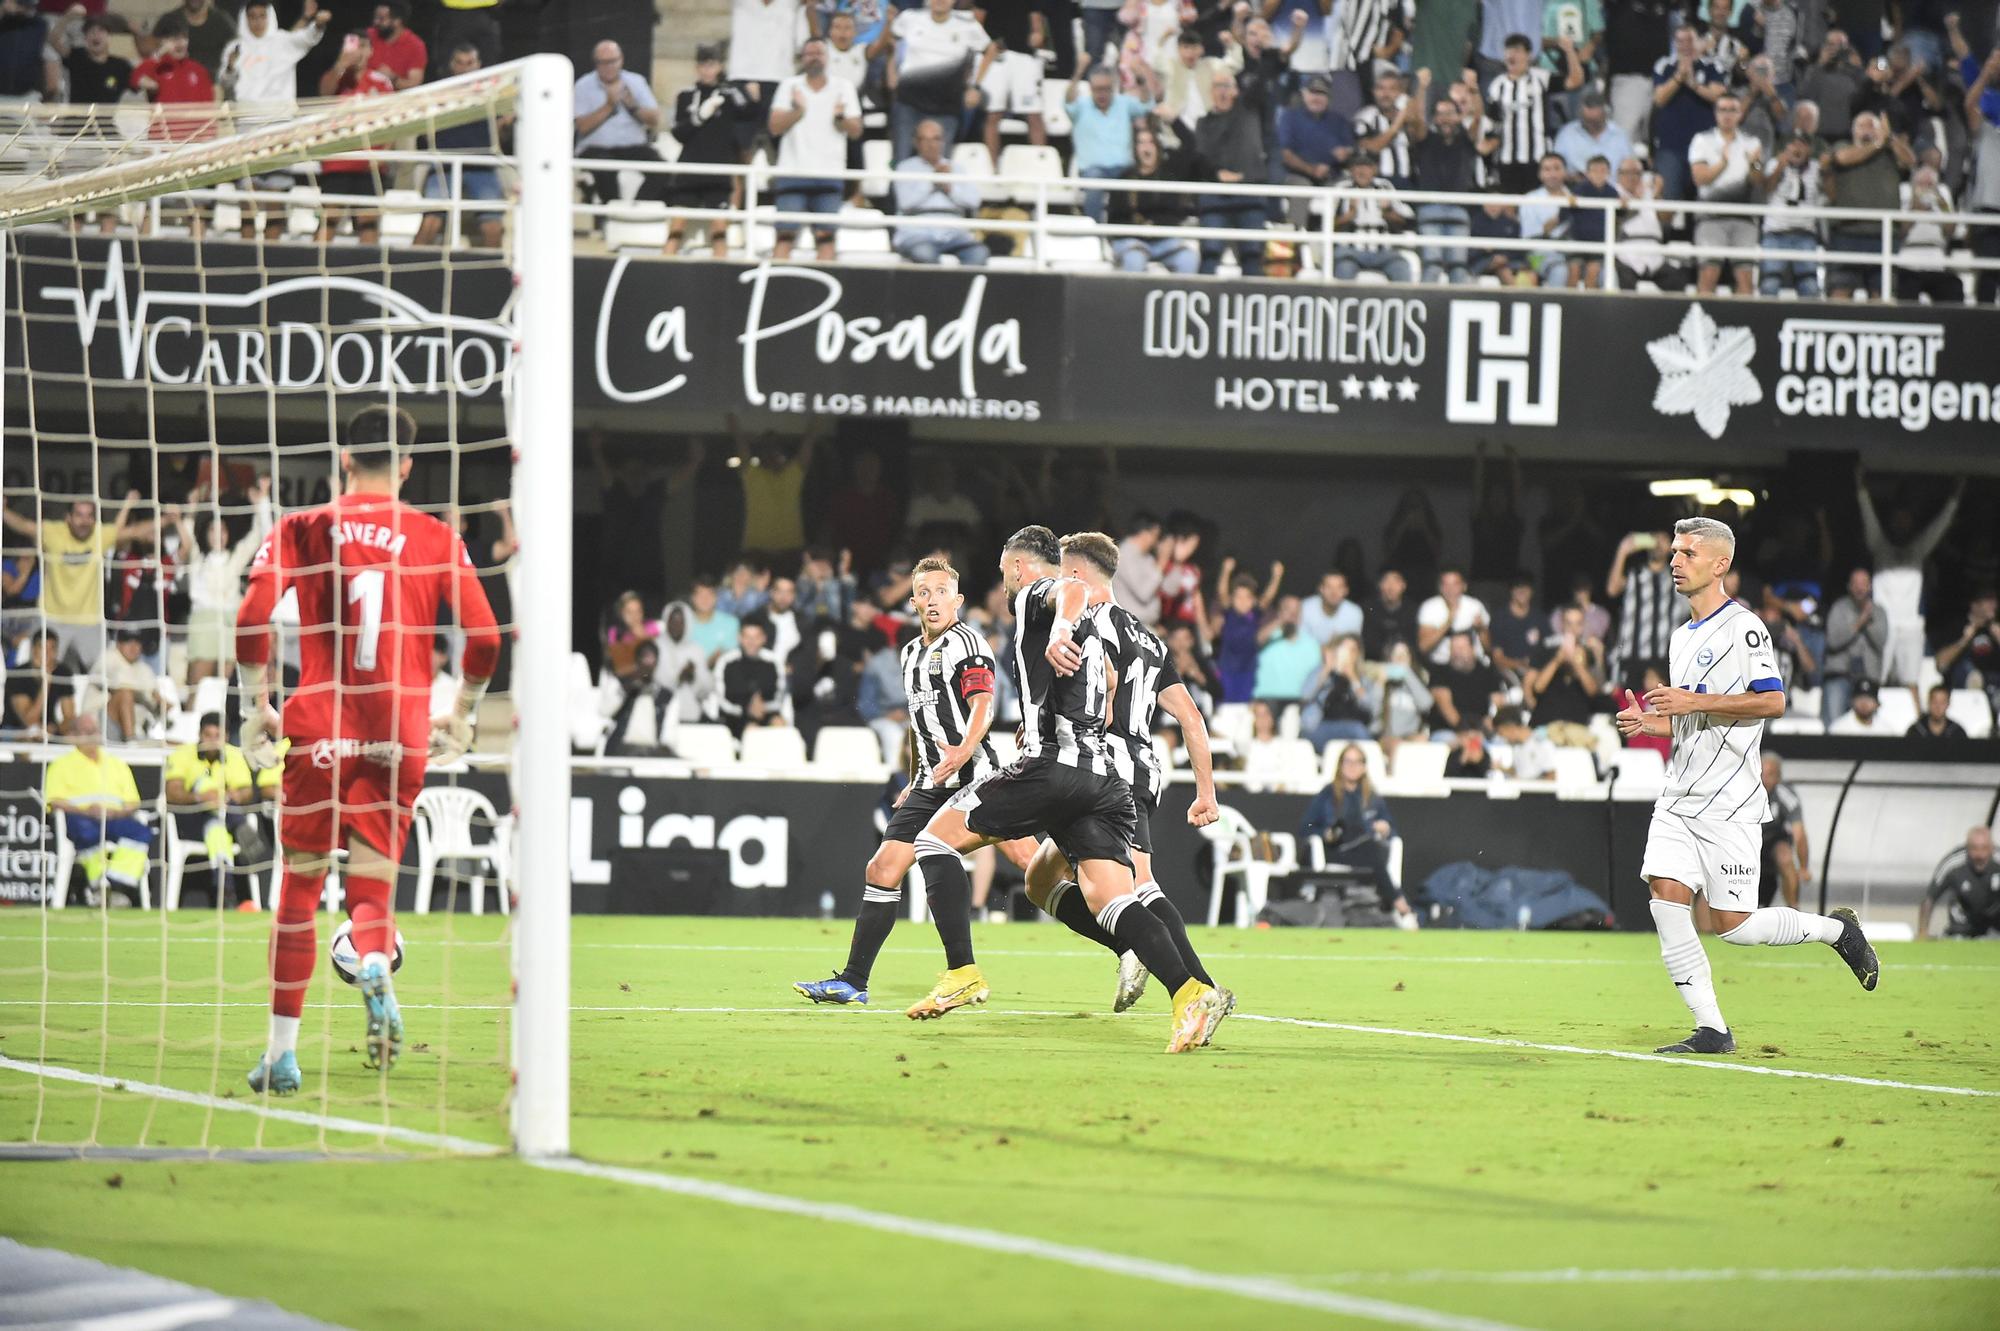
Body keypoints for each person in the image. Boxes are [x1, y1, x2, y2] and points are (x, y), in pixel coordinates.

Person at [233, 405, 501, 1096]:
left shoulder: (302, 527)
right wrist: (463, 713)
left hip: (320, 720)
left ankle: (282, 1056)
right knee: (374, 883)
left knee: (297, 889)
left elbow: (251, 616)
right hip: (399, 729)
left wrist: (254, 707)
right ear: (407, 465)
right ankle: (373, 960)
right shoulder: (435, 535)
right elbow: (487, 637)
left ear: (345, 459)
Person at [907, 526, 1231, 1051]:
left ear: (1017, 567)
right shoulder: (1116, 630)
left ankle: (961, 971)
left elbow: (1070, 591)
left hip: (1051, 769)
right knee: (1109, 899)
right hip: (1102, 778)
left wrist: (1058, 631)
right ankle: (1192, 991)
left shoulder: (1042, 593)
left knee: (933, 841)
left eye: (1002, 572)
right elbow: (1103, 690)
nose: (1003, 584)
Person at [1615, 517, 1877, 1057]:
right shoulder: (1679, 637)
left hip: (1729, 803)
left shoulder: (1745, 628)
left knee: (1735, 926)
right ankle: (1711, 1028)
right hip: (1678, 796)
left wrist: (1692, 701)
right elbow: (1693, 720)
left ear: (1720, 565)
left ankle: (1836, 931)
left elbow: (1771, 701)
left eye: (1688, 552)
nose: (1675, 560)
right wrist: (1655, 724)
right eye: (1674, 551)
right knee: (1665, 898)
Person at [795, 557, 1031, 1004]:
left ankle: (1122, 932)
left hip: (975, 775)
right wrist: (917, 775)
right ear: (913, 602)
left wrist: (962, 750)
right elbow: (920, 723)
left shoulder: (969, 644)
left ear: (957, 600)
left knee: (1031, 863)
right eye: (923, 592)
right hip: (930, 781)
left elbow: (983, 703)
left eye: (941, 591)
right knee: (882, 868)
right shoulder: (909, 653)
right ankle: (853, 981)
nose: (932, 600)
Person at [1016, 533, 1222, 1016]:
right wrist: (1205, 792)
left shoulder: (1086, 620)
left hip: (1102, 768)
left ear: (1075, 576)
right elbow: (1191, 717)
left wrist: (1052, 732)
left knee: (1139, 886)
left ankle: (1199, 988)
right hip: (1142, 768)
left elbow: (1104, 687)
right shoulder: (1149, 637)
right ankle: (1134, 949)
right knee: (1041, 879)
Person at [2, 492, 148, 670]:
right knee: (39, 671)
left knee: (112, 671)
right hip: (53, 619)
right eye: (79, 515)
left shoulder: (99, 536)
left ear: (94, 519)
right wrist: (3, 510)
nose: (84, 521)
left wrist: (167, 519)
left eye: (89, 515)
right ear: (68, 518)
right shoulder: (52, 532)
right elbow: (24, 526)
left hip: (89, 621)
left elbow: (133, 531)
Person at [1856, 466, 1963, 690]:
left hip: (1911, 627)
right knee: (1878, 681)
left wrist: (1955, 497)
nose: (1901, 524)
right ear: (1892, 522)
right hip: (1882, 625)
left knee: (1911, 682)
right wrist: (1861, 487)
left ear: (1912, 523)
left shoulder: (1918, 550)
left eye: (1906, 520)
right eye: (1898, 520)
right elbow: (1869, 518)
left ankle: (1915, 723)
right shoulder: (1880, 547)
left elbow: (1939, 526)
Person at [1301, 742, 1417, 927]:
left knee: (1372, 851)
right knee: (1374, 854)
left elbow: (1390, 828)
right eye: (1348, 761)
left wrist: (1384, 827)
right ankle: (1402, 907)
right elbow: (1306, 827)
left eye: (1357, 762)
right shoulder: (1328, 794)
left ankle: (1399, 907)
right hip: (1336, 850)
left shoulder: (1372, 797)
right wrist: (1326, 833)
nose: (1352, 766)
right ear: (1340, 765)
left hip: (1365, 850)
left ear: (1364, 766)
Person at [770, 35, 864, 261]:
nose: (814, 58)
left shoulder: (844, 87)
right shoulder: (789, 86)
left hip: (829, 175)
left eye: (819, 53)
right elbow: (774, 127)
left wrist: (840, 117)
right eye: (810, 53)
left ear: (827, 57)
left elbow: (856, 130)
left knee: (826, 238)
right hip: (793, 173)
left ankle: (826, 288)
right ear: (802, 58)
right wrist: (798, 111)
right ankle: (773, 290)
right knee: (785, 236)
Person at [44, 714, 153, 906]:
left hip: (114, 817)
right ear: (73, 736)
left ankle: (115, 885)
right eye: (87, 732)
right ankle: (98, 885)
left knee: (142, 832)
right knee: (88, 832)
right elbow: (54, 801)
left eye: (94, 731)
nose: (93, 736)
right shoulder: (61, 764)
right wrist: (86, 810)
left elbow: (133, 802)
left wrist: (115, 813)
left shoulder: (116, 763)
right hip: (81, 817)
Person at [665, 44, 753, 258]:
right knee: (676, 226)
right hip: (690, 169)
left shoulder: (729, 95)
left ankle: (722, 274)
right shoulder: (686, 96)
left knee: (720, 229)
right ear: (697, 67)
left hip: (718, 170)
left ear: (719, 67)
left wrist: (749, 94)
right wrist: (700, 116)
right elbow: (679, 133)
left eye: (712, 65)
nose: (707, 70)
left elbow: (750, 113)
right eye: (703, 65)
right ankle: (663, 264)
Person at [165, 711, 257, 906]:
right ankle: (239, 825)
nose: (213, 741)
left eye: (218, 736)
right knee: (204, 786)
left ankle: (226, 890)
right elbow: (172, 793)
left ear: (225, 736)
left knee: (216, 828)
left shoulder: (234, 754)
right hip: (191, 817)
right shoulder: (182, 755)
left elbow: (247, 792)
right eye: (208, 735)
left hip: (221, 820)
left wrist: (232, 796)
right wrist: (201, 797)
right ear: (200, 735)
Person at [574, 41, 667, 212]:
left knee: (662, 170)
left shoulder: (636, 81)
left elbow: (654, 119)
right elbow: (582, 127)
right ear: (596, 63)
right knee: (606, 170)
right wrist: (608, 106)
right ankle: (612, 215)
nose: (609, 67)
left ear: (621, 60)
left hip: (633, 147)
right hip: (596, 148)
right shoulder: (583, 85)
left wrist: (633, 107)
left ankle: (634, 213)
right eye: (603, 62)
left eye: (613, 61)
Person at [1192, 71, 1266, 275]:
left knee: (1252, 256)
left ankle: (1255, 303)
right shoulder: (1203, 124)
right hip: (1216, 197)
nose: (1223, 92)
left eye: (1226, 86)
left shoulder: (1248, 111)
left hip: (1249, 195)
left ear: (1235, 90)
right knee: (1210, 254)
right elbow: (1200, 157)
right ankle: (1203, 302)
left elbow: (1261, 81)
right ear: (1210, 92)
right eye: (1218, 87)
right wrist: (1218, 174)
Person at [1688, 92, 1762, 294]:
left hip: (1744, 217)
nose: (1727, 115)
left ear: (1740, 114)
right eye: (1723, 110)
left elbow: (1756, 182)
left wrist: (1755, 164)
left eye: (1732, 110)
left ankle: (1747, 325)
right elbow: (1700, 178)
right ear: (1715, 113)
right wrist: (1723, 163)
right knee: (1708, 274)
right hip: (1710, 216)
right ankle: (1701, 323)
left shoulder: (1752, 143)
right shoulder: (1702, 140)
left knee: (1745, 278)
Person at [892, 117, 989, 265]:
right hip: (917, 233)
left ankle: (961, 288)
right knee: (925, 254)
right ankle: (937, 289)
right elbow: (905, 202)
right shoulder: (905, 168)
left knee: (979, 253)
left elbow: (974, 201)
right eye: (925, 139)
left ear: (943, 141)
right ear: (916, 142)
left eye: (936, 139)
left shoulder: (957, 169)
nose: (931, 145)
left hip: (953, 234)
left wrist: (949, 187)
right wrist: (932, 182)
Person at [1650, 24, 1727, 200]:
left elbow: (1718, 96)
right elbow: (1659, 98)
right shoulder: (1664, 65)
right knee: (1668, 196)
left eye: (1690, 40)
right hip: (1671, 145)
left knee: (1705, 198)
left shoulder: (1713, 66)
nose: (1685, 45)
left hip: (1705, 145)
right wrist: (1679, 77)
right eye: (1680, 41)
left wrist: (1693, 83)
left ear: (1698, 41)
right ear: (1674, 43)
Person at [1606, 528, 1685, 690]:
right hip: (1631, 657)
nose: (1658, 545)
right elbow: (1612, 589)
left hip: (1662, 659)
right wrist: (1623, 551)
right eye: (1655, 540)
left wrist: (1675, 553)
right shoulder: (1635, 575)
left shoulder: (1676, 579)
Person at [1757, 131, 1824, 298]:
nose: (1797, 148)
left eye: (1802, 144)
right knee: (1769, 284)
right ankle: (1765, 322)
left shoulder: (1816, 168)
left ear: (1809, 149)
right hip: (1775, 232)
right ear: (1786, 148)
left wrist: (1827, 170)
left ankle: (1809, 323)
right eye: (1793, 144)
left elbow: (1830, 193)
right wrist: (1780, 167)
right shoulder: (1774, 164)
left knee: (1809, 285)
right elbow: (1766, 189)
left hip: (1805, 233)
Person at [1332, 155, 1415, 281]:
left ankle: (1404, 299)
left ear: (1374, 170)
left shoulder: (1385, 187)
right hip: (1350, 251)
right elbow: (1326, 225)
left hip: (1383, 251)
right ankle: (1345, 300)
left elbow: (1405, 222)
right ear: (1351, 170)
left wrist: (1387, 212)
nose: (1362, 171)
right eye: (1357, 167)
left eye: (1366, 167)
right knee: (1344, 267)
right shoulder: (1342, 188)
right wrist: (1350, 214)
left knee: (1401, 266)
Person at [1917, 827, 1999, 940]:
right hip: (1962, 926)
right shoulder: (1953, 863)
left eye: (1984, 848)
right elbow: (1929, 899)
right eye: (1974, 849)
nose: (1980, 855)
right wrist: (1922, 932)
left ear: (1992, 848)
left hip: (1994, 924)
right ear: (1967, 847)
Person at [715, 620, 792, 737]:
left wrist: (763, 707)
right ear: (739, 638)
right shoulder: (726, 662)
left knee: (779, 724)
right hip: (735, 715)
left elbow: (780, 697)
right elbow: (721, 701)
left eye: (756, 637)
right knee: (752, 731)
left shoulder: (774, 662)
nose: (751, 642)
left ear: (763, 638)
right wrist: (746, 709)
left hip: (767, 712)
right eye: (747, 637)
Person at [1757, 754, 1810, 908]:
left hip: (1772, 846)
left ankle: (1794, 911)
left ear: (1779, 777)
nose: (1764, 780)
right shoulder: (1741, 791)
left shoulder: (1784, 795)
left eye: (1770, 775)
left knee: (1785, 855)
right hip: (1745, 848)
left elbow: (1799, 833)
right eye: (1761, 774)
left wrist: (1804, 867)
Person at [1303, 637, 1379, 745]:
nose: (1347, 654)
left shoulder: (1363, 680)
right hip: (1321, 725)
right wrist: (1327, 669)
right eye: (1344, 649)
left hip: (1353, 725)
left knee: (1359, 732)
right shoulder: (1322, 673)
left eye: (1352, 650)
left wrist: (1352, 677)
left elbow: (1370, 708)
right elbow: (1306, 694)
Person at [1428, 631, 1504, 739]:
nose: (1457, 652)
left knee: (1499, 743)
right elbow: (1446, 708)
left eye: (1462, 648)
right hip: (1448, 731)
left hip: (1483, 732)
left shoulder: (1488, 673)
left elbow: (1498, 704)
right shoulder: (1440, 673)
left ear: (1473, 649)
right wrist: (1466, 732)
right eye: (1453, 648)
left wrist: (1489, 722)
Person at [1416, 566, 1489, 666]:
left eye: (1455, 584)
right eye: (1446, 584)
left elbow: (1489, 648)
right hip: (1441, 664)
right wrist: (1449, 621)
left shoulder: (1475, 606)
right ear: (1440, 588)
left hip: (1472, 663)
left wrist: (1481, 629)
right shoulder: (1429, 607)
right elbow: (1423, 647)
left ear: (1464, 586)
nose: (1450, 589)